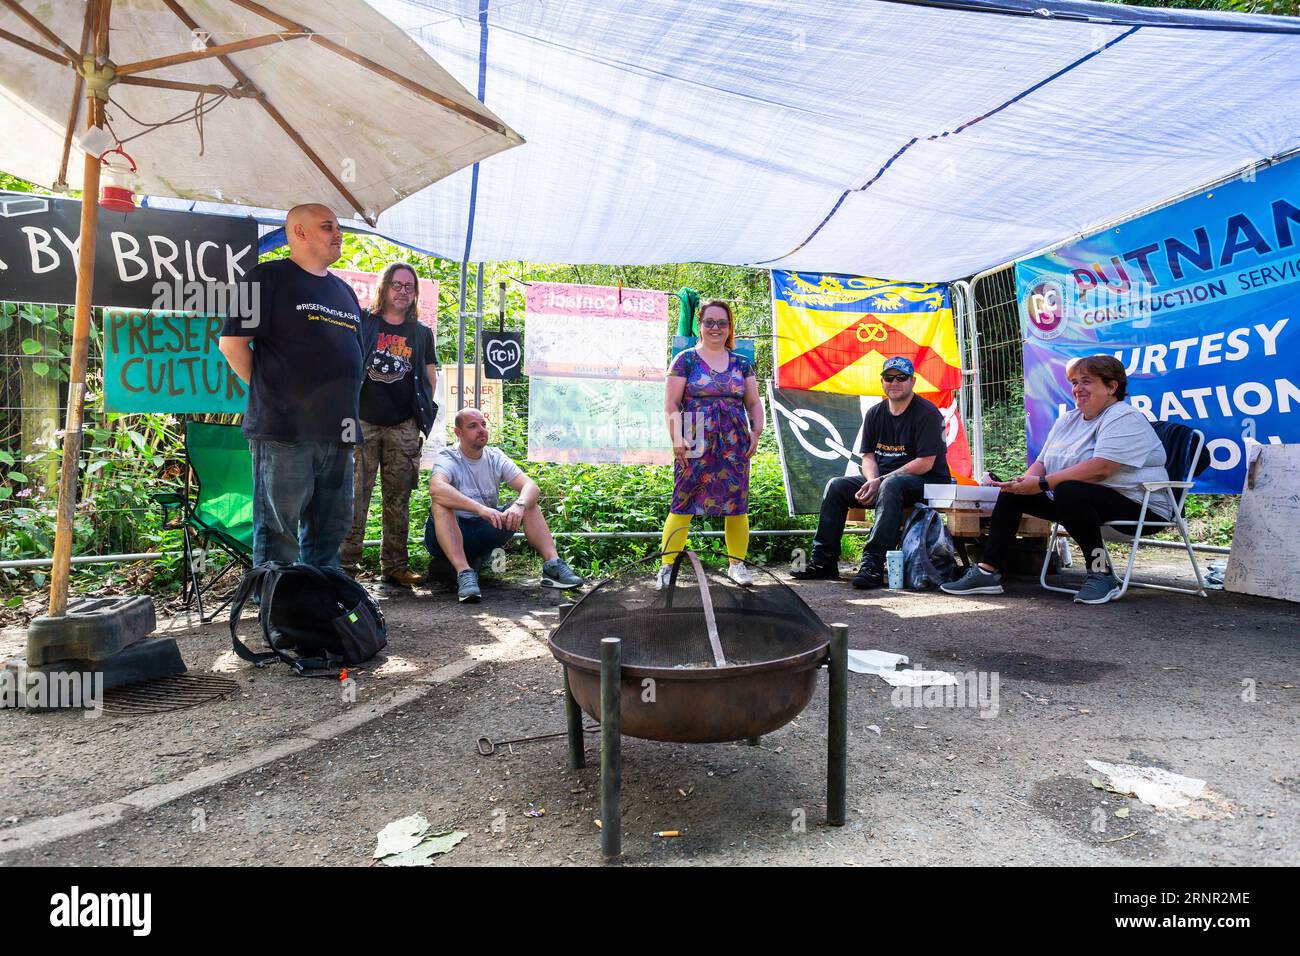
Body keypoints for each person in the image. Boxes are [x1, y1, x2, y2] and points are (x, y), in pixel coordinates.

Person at [942, 354, 1168, 605]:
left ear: (1111, 387)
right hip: (1084, 502)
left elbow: (1101, 469)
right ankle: (986, 572)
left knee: (1070, 490)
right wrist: (1022, 483)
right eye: (1074, 382)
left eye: (1086, 382)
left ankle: (1101, 571)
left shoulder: (1123, 417)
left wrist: (1040, 484)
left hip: (1140, 506)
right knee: (1015, 493)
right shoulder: (1068, 419)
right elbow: (1042, 463)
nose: (1077, 389)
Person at [219, 203, 363, 567]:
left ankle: (319, 614)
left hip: (340, 431)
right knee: (278, 535)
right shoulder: (263, 278)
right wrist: (276, 394)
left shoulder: (345, 292)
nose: (338, 234)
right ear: (299, 232)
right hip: (284, 430)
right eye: (327, 227)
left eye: (337, 227)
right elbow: (232, 345)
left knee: (330, 531)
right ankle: (281, 619)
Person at [791, 356, 951, 588]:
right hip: (886, 482)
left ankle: (873, 564)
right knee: (837, 486)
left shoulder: (927, 412)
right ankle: (823, 561)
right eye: (889, 378)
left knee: (891, 485)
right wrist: (872, 480)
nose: (894, 382)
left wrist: (881, 481)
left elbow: (925, 463)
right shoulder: (875, 413)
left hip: (927, 483)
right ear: (882, 382)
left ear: (913, 381)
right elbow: (867, 457)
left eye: (901, 378)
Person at [340, 263, 438, 587]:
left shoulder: (421, 333)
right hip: (362, 422)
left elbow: (429, 376)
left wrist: (417, 414)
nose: (403, 291)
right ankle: (346, 570)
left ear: (415, 294)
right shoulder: (365, 323)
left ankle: (394, 567)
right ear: (384, 288)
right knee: (355, 497)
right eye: (397, 284)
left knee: (398, 499)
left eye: (409, 286)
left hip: (403, 426)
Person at [425, 407, 584, 603]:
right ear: (458, 433)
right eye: (473, 426)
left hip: (485, 529)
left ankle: (552, 567)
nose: (481, 429)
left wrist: (519, 505)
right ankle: (464, 573)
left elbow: (531, 486)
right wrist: (480, 508)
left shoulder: (495, 456)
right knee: (440, 504)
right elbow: (436, 488)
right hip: (447, 535)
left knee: (528, 502)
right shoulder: (448, 456)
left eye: (483, 424)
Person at [659, 299, 764, 587]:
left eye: (722, 323)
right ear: (700, 326)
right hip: (693, 435)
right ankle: (667, 567)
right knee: (683, 502)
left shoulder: (742, 363)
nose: (716, 328)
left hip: (734, 438)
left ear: (729, 327)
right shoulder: (685, 360)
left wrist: (756, 432)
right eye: (710, 322)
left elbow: (753, 403)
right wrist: (676, 437)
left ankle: (737, 566)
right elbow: (670, 403)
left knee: (737, 504)